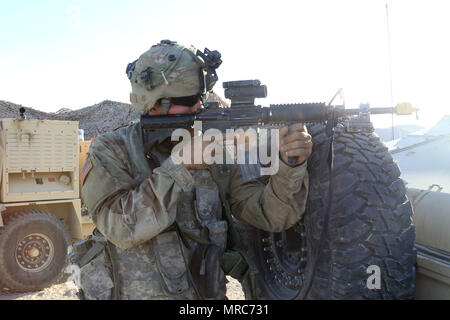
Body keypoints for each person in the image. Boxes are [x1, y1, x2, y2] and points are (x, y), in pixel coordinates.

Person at [73, 40, 313, 300]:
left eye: (201, 97)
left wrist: (291, 165)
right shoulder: (111, 150)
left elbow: (270, 216)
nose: (198, 106)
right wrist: (180, 166)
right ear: (154, 104)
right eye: (188, 100)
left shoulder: (215, 149)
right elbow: (119, 226)